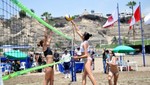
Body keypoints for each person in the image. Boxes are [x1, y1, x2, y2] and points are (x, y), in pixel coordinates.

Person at [72, 21, 97, 85]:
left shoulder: (85, 43)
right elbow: (78, 31)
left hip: (87, 60)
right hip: (86, 60)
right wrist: (74, 23)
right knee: (83, 76)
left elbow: (86, 55)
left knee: (90, 75)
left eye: (82, 34)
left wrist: (77, 57)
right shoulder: (84, 41)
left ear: (84, 36)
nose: (81, 34)